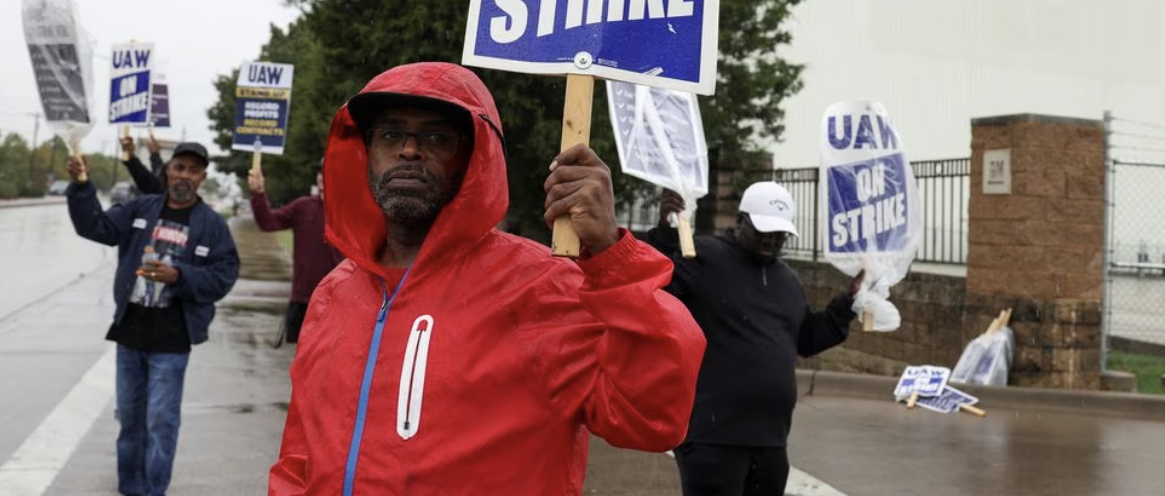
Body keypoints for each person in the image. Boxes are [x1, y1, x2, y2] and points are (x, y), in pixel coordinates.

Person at [268, 62, 706, 495]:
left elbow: (650, 418)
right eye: (390, 134)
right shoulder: (334, 292)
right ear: (366, 150)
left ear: (473, 156)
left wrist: (613, 256)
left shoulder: (538, 284)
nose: (408, 150)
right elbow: (300, 454)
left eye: (436, 136)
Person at [649, 183, 863, 496]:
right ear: (740, 221)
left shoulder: (787, 280)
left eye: (779, 234)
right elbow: (658, 290)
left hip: (770, 443)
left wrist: (847, 305)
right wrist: (666, 233)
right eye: (763, 231)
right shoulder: (704, 257)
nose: (771, 240)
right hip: (713, 437)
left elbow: (804, 338)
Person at [65, 141, 241, 496]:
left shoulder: (212, 225)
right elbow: (96, 228)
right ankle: (131, 488)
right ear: (167, 171)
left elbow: (225, 274)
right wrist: (82, 186)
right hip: (130, 335)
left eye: (193, 170)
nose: (184, 176)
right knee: (130, 421)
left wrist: (181, 276)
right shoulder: (140, 208)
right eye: (179, 168)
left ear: (202, 177)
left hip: (172, 341)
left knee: (160, 422)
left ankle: (154, 490)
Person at [246, 159, 343, 344]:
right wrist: (258, 193)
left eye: (330, 172)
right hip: (302, 299)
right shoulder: (302, 206)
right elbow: (268, 223)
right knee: (299, 363)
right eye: (321, 172)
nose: (323, 177)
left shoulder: (351, 210)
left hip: (336, 301)